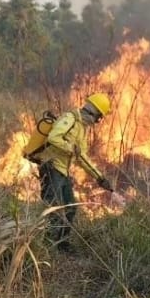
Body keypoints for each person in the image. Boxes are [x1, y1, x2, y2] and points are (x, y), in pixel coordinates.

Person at [29, 92, 115, 252]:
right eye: (99, 117)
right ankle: (46, 248)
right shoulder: (69, 119)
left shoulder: (82, 128)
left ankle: (62, 245)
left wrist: (99, 177)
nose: (98, 121)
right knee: (53, 209)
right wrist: (71, 149)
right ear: (94, 113)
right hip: (51, 167)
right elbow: (54, 137)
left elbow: (81, 156)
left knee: (70, 208)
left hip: (63, 171)